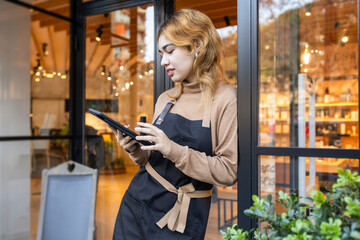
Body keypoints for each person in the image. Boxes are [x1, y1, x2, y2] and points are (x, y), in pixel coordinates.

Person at [110, 8, 238, 240]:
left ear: (197, 45)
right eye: (161, 53)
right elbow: (151, 161)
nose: (163, 61)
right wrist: (134, 149)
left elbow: (228, 172)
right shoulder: (165, 99)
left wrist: (172, 149)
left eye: (169, 51)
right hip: (135, 204)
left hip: (182, 217)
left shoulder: (226, 98)